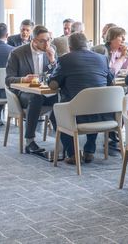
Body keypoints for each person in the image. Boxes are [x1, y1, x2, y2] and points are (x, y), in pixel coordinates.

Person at [50, 33, 114, 165]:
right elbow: (111, 82)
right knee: (93, 103)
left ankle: (73, 153)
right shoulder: (102, 59)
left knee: (55, 115)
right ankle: (89, 149)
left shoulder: (65, 60)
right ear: (87, 45)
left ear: (70, 47)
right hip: (102, 114)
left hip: (76, 115)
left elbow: (53, 85)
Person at [6, 25, 56, 153]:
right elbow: (8, 80)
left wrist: (52, 61)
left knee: (61, 98)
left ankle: (63, 137)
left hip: (44, 92)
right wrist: (24, 79)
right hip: (23, 94)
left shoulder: (51, 50)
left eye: (48, 40)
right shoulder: (17, 53)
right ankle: (30, 141)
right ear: (33, 41)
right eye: (42, 41)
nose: (47, 44)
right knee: (36, 98)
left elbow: (57, 75)